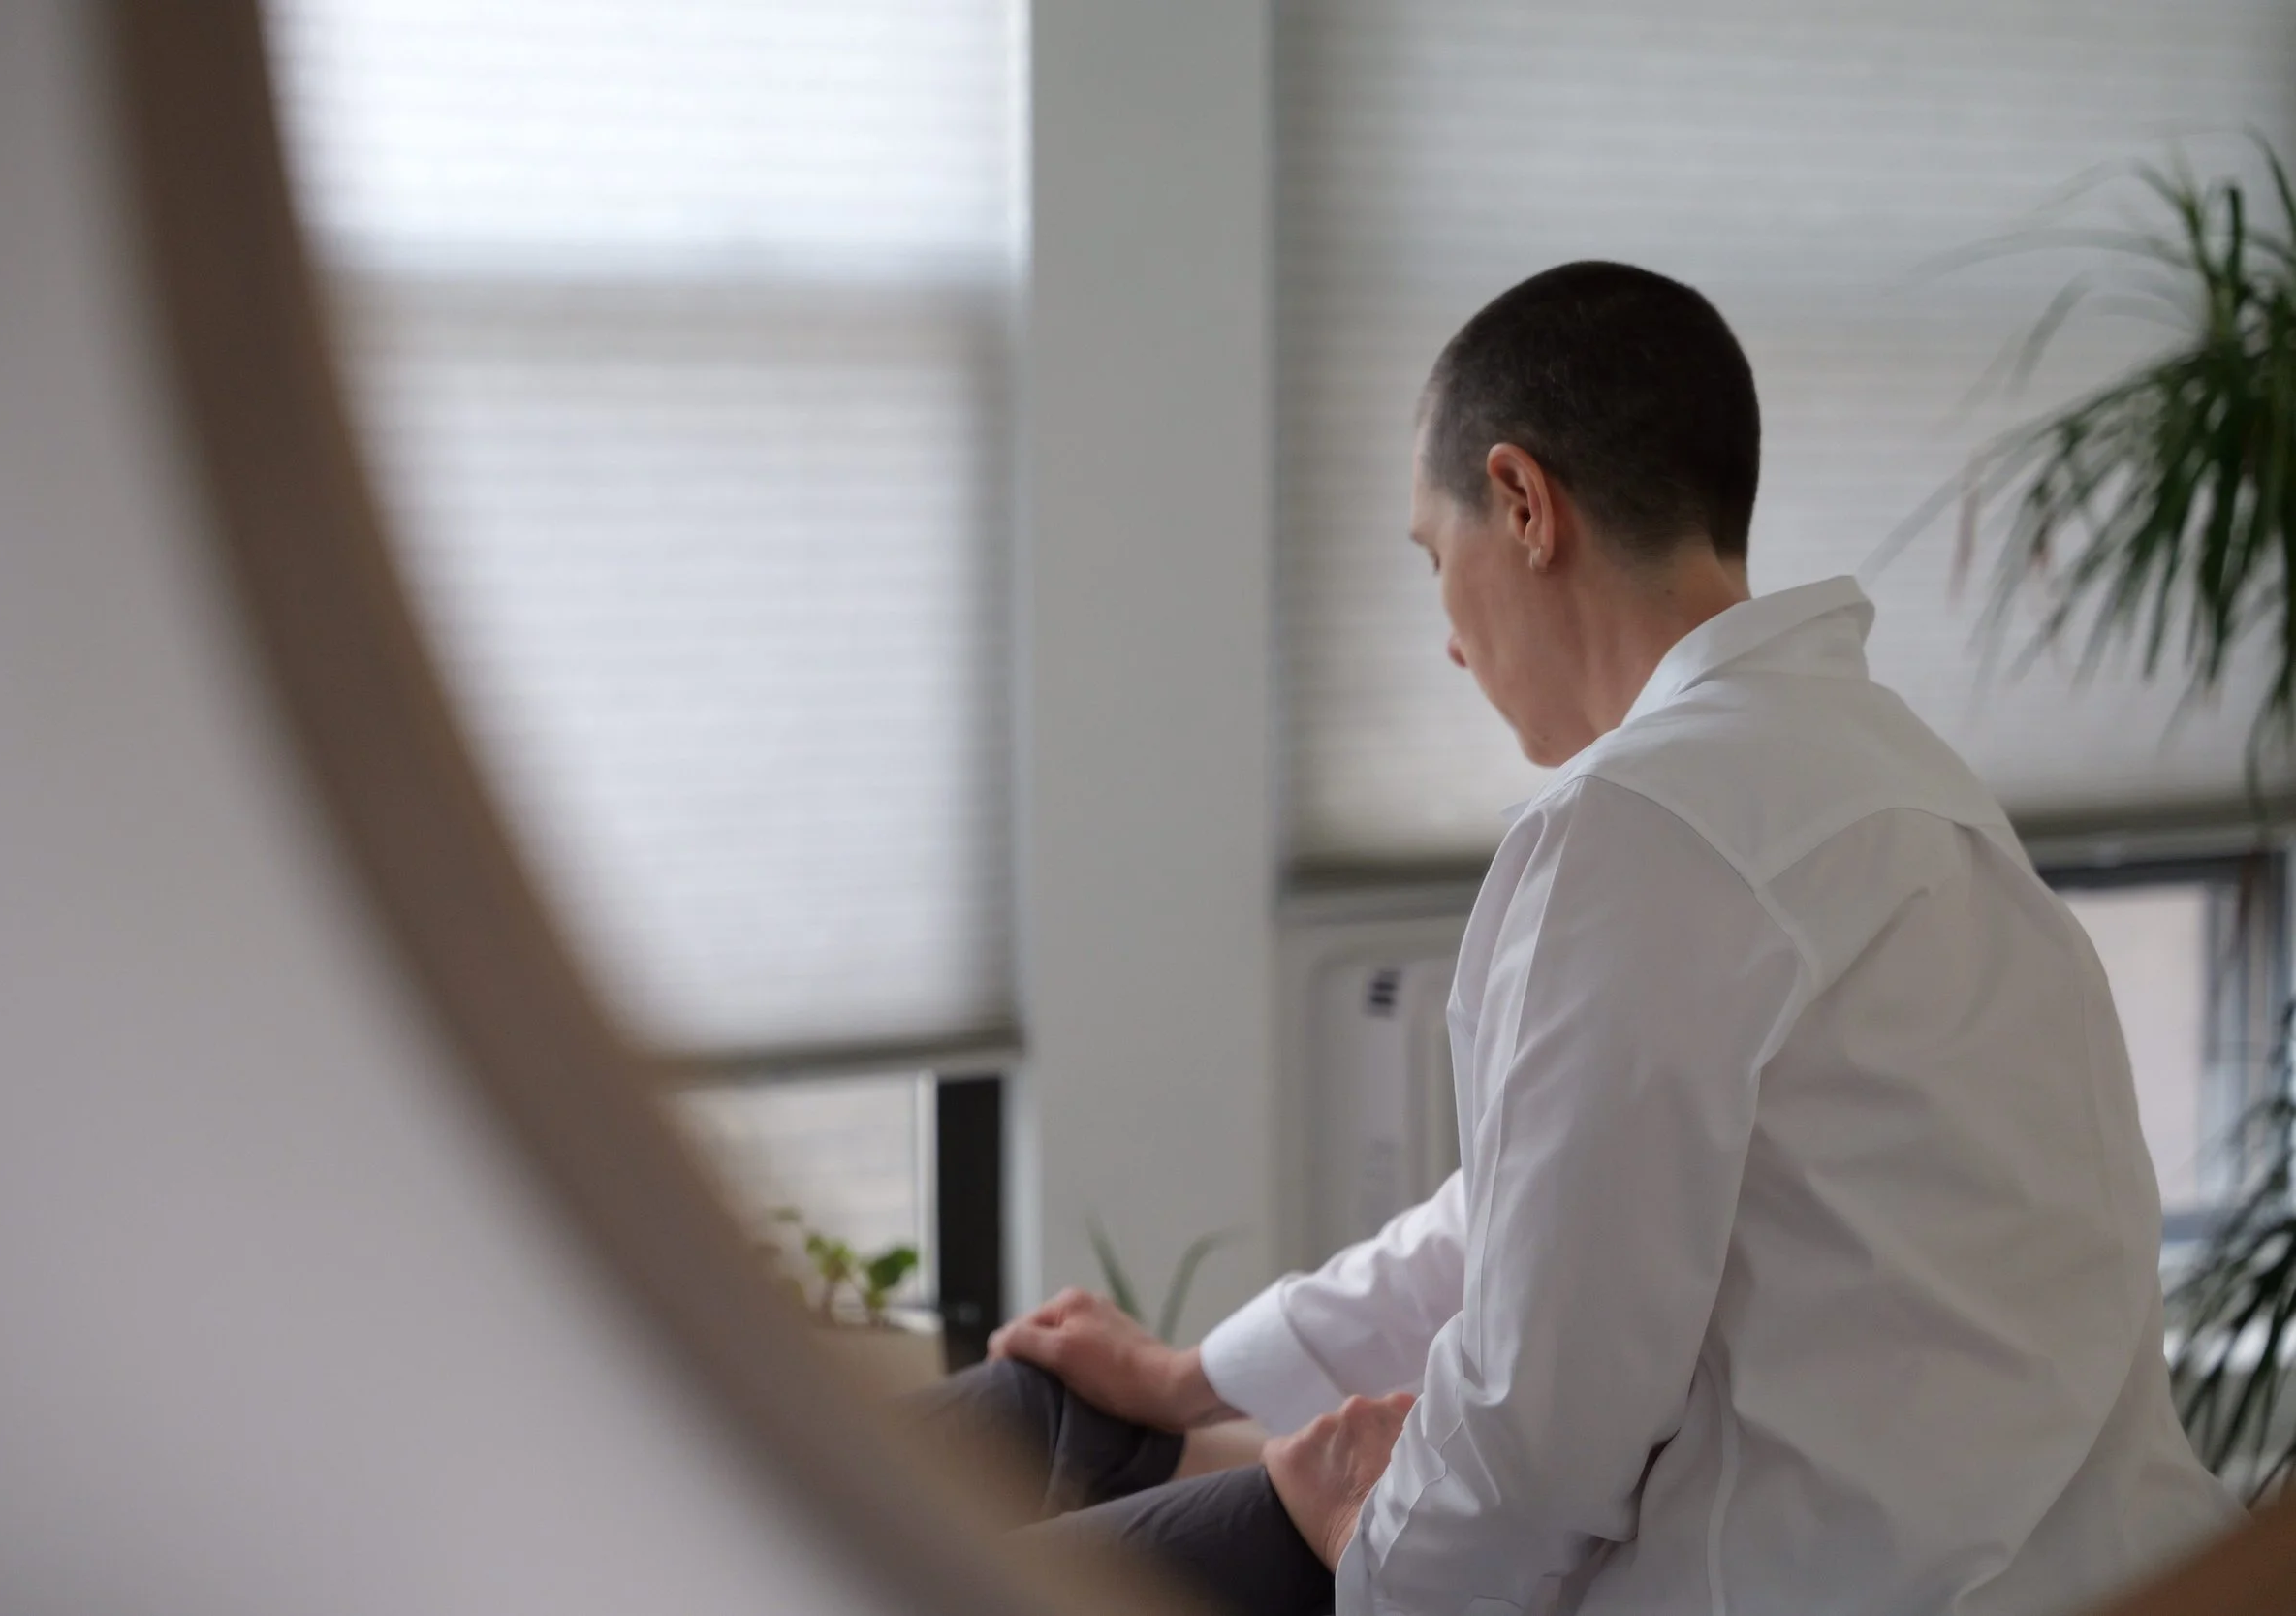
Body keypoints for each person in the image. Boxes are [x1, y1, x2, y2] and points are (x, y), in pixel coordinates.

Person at [927, 259, 2244, 1616]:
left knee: (989, 1505)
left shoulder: (1643, 826)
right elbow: (1529, 1211)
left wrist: (1365, 1564)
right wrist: (1199, 1373)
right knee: (1070, 1415)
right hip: (2101, 1557)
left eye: (1438, 560)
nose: (1446, 638)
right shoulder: (1895, 781)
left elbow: (1537, 1435)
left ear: (1523, 502)